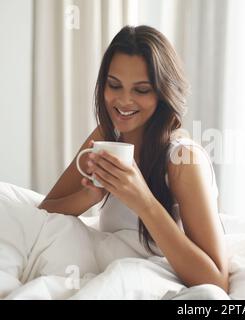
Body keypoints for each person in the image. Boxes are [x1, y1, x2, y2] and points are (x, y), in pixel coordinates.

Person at [0, 25, 229, 299]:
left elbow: (216, 280)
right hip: (102, 261)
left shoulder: (183, 160)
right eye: (114, 85)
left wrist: (143, 201)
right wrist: (90, 195)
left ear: (163, 92)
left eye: (141, 90)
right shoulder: (107, 136)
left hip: (150, 275)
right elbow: (45, 213)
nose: (123, 100)